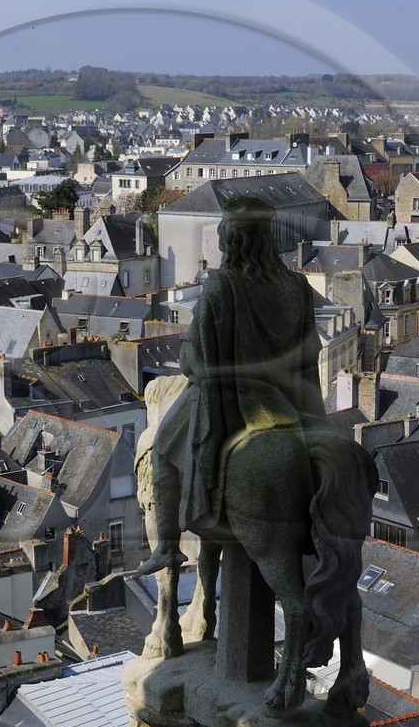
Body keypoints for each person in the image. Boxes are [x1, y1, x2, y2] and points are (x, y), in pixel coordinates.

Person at [135, 196, 324, 575]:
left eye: (224, 236)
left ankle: (167, 548)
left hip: (235, 401)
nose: (220, 244)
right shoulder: (299, 287)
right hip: (289, 402)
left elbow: (193, 359)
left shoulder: (223, 284)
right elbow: (310, 356)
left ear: (233, 240)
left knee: (161, 452)